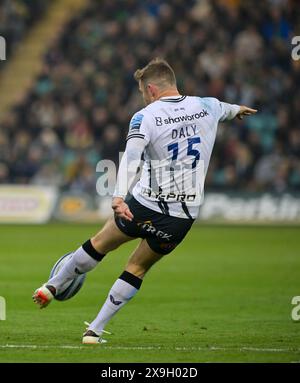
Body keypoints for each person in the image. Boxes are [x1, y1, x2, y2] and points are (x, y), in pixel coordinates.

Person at [33, 58, 257, 344]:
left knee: (99, 244)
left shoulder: (146, 116)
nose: (143, 97)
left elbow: (131, 158)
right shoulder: (207, 106)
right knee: (137, 268)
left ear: (151, 89)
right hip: (180, 216)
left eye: (142, 92)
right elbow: (228, 109)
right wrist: (239, 110)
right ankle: (95, 331)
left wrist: (117, 196)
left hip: (143, 204)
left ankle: (51, 286)